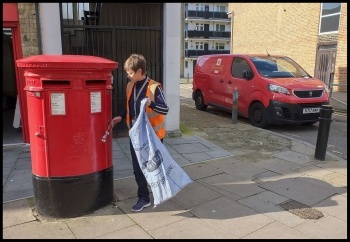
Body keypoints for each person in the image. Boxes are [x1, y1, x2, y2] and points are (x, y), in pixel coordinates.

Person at [112, 54, 169, 212]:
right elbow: (129, 106)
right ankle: (143, 198)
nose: (127, 75)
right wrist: (121, 116)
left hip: (153, 137)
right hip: (136, 136)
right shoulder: (130, 86)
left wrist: (151, 103)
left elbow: (165, 109)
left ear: (139, 71)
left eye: (130, 72)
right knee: (138, 168)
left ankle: (160, 191)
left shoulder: (154, 87)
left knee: (155, 167)